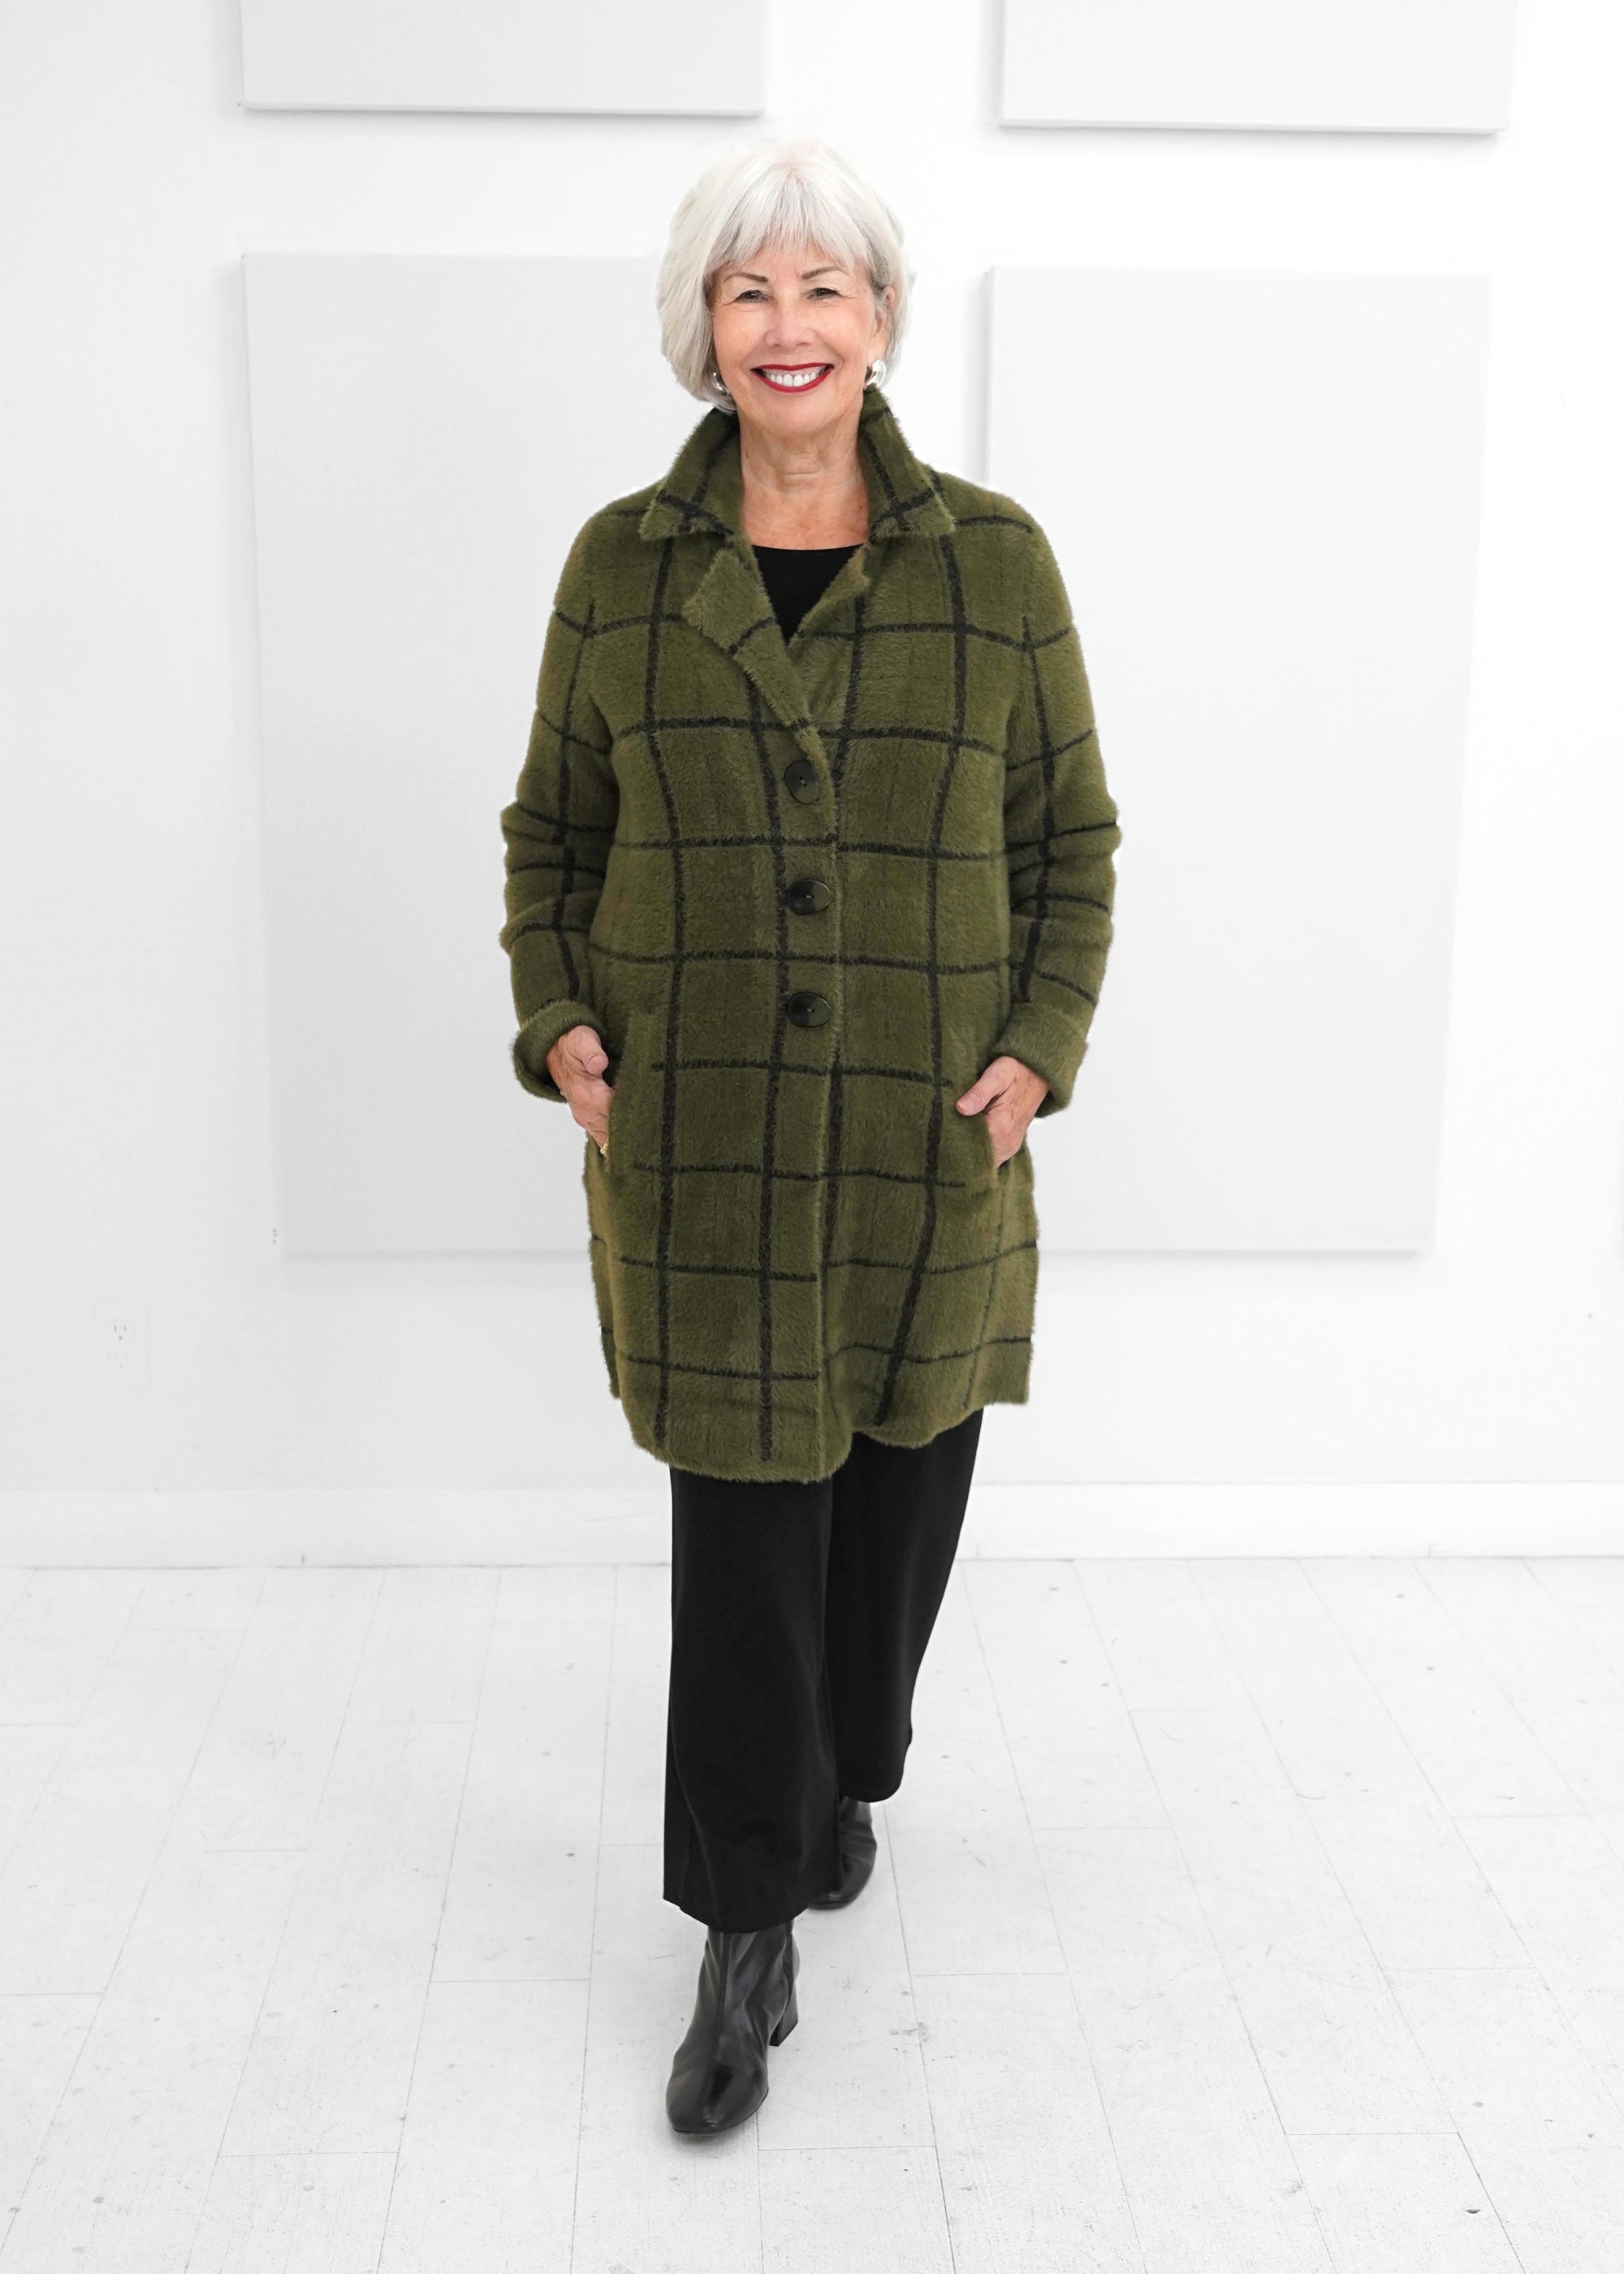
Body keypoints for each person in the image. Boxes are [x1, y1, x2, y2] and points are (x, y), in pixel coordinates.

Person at [497, 136, 1121, 2137]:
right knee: (746, 1534)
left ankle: (852, 1767)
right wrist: (561, 1018)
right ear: (703, 327)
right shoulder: (622, 566)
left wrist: (1037, 1046)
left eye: (822, 289)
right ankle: (742, 1922)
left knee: (897, 1507)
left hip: (930, 1144)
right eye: (748, 290)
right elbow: (550, 835)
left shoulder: (993, 565)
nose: (787, 327)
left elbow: (1070, 840)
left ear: (882, 318)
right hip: (704, 1147)